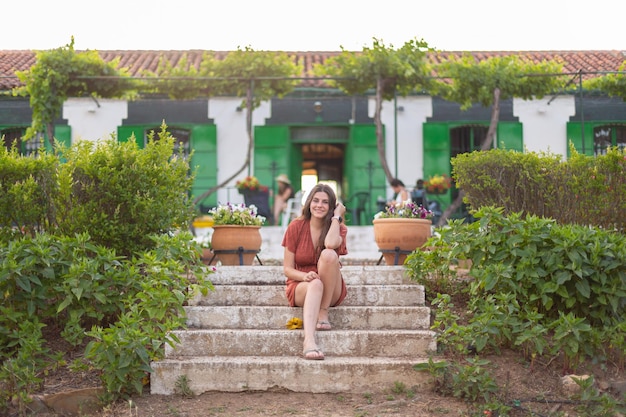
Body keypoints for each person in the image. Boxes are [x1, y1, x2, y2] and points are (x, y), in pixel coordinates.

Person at [281, 183, 347, 360]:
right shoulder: (295, 226)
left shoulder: (338, 228)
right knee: (315, 283)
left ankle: (323, 311)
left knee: (328, 254)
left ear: (331, 206)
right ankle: (309, 341)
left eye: (325, 202)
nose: (319, 205)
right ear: (309, 202)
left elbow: (331, 244)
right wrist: (305, 276)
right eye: (315, 200)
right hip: (302, 284)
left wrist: (337, 217)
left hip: (331, 290)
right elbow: (287, 269)